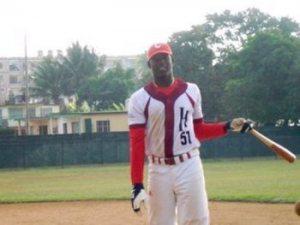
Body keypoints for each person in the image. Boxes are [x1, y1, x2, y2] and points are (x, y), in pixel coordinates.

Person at [128, 43, 252, 225]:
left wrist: (228, 126)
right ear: (149, 65)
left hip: (189, 165)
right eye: (156, 59)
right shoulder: (139, 99)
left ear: (172, 60)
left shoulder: (191, 91)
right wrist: (136, 184)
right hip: (158, 169)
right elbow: (137, 142)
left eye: (165, 58)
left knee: (197, 220)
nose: (161, 62)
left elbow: (199, 130)